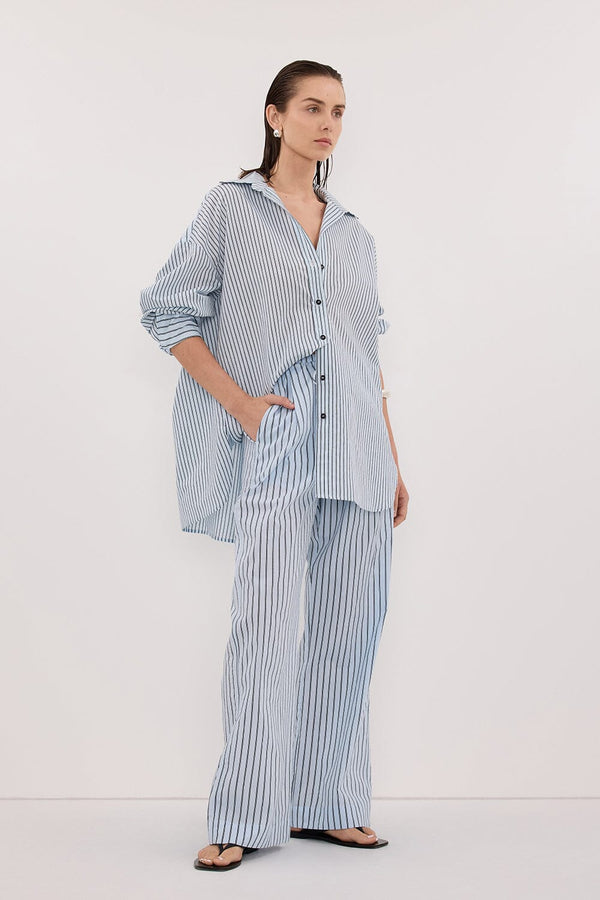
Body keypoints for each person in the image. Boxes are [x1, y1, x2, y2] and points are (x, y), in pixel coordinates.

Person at [139, 59, 409, 873]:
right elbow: (168, 310)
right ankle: (244, 813)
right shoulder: (231, 208)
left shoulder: (355, 232)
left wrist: (394, 460)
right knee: (262, 627)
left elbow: (366, 356)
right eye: (313, 108)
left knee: (348, 634)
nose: (329, 124)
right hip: (279, 440)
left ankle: (328, 805)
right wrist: (241, 405)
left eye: (340, 111)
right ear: (275, 115)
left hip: (359, 448)